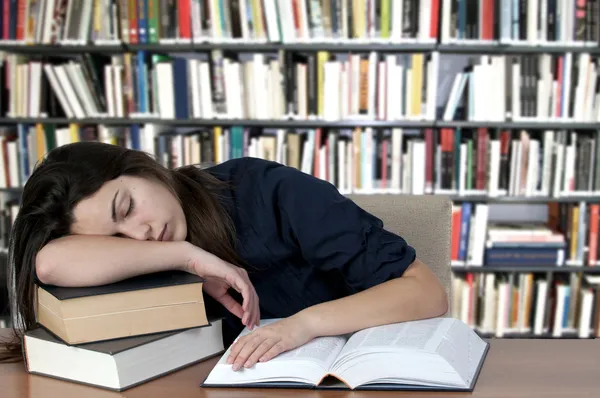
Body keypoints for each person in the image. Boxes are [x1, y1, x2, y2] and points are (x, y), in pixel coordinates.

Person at [1, 141, 448, 370]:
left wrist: (302, 325)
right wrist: (185, 256)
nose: (141, 234)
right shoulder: (150, 252)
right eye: (114, 238)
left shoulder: (265, 190)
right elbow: (48, 263)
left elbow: (426, 292)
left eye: (127, 207)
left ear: (141, 167)